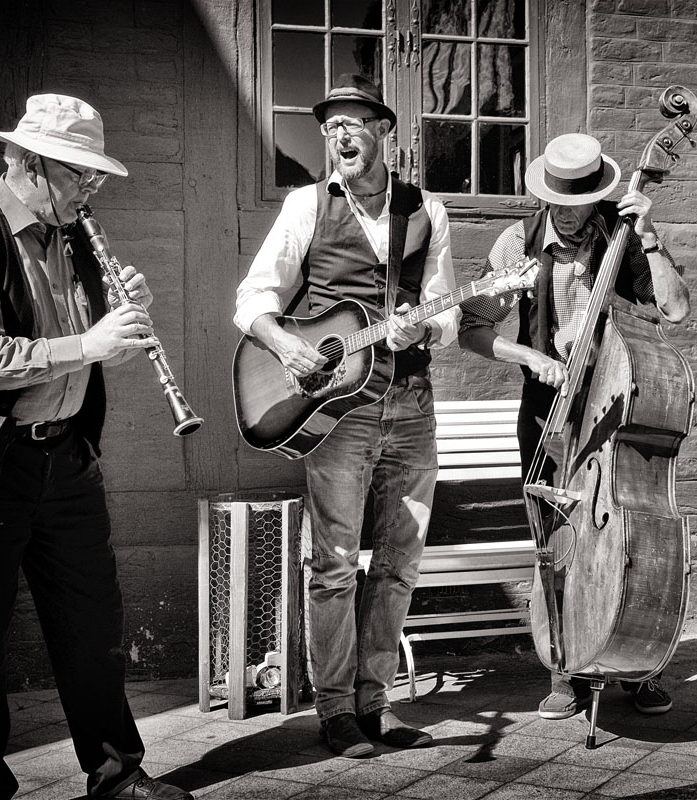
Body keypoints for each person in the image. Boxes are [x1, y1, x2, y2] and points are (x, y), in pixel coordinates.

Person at [0, 93, 193, 800]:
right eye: (80, 175)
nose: (92, 189)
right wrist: (91, 344)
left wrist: (127, 308)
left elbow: (78, 335)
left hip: (64, 458)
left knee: (92, 628)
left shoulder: (71, 235)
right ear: (30, 164)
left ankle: (117, 776)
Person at [234, 74, 458, 758]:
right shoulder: (307, 205)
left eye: (355, 123)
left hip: (411, 404)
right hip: (341, 413)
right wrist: (289, 347)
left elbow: (445, 312)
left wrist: (421, 331)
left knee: (398, 563)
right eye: (331, 127)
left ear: (385, 133)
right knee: (332, 564)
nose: (340, 135)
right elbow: (253, 300)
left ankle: (374, 703)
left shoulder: (428, 211)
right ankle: (333, 709)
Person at [458, 132, 691, 721]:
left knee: (630, 538)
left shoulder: (621, 233)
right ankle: (564, 667)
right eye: (556, 197)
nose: (565, 210)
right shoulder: (519, 242)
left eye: (577, 199)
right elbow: (472, 329)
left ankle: (636, 661)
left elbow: (676, 309)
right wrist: (529, 358)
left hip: (616, 401)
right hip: (547, 411)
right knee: (556, 542)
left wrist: (651, 240)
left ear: (596, 194)